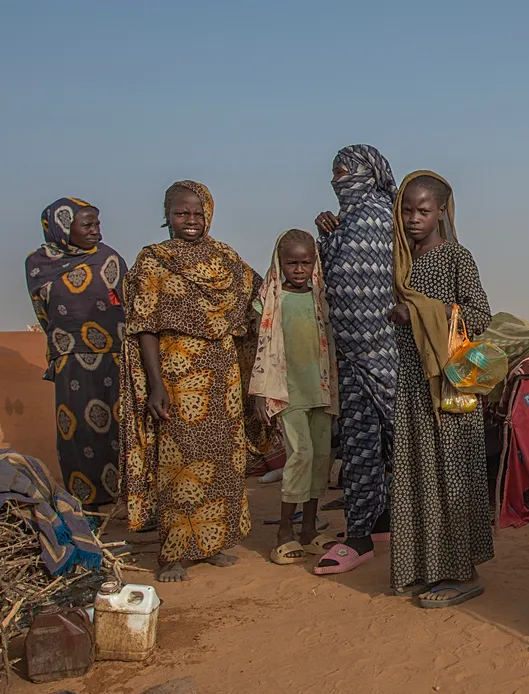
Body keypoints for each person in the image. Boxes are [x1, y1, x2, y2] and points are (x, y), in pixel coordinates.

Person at [121, 181, 260, 583]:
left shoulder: (225, 259)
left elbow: (258, 291)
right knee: (179, 462)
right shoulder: (153, 260)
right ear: (167, 216)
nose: (191, 220)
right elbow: (145, 325)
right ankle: (175, 553)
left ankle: (212, 543)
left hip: (222, 373)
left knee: (223, 458)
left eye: (198, 213)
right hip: (177, 374)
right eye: (181, 213)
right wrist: (156, 383)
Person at [389, 170, 494, 606]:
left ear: (442, 212)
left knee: (451, 477)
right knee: (419, 478)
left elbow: (480, 315)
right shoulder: (401, 262)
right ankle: (427, 568)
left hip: (449, 389)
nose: (414, 219)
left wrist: (417, 313)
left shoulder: (455, 258)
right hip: (413, 387)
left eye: (424, 211)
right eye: (407, 210)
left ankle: (462, 573)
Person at [312, 145, 399, 574]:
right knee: (360, 443)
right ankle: (365, 529)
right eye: (333, 173)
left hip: (384, 351)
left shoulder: (384, 216)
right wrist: (327, 236)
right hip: (350, 353)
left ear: (367, 173)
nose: (335, 180)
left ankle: (420, 523)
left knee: (400, 439)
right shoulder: (344, 222)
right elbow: (330, 276)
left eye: (342, 172)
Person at [24, 198, 126, 508]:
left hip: (115, 354)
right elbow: (43, 311)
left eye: (97, 223)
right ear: (63, 229)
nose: (96, 230)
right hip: (70, 357)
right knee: (78, 432)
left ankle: (126, 499)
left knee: (120, 427)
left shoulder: (109, 259)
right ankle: (87, 503)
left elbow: (127, 303)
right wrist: (64, 343)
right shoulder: (38, 264)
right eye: (87, 225)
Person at [249, 229, 339, 565]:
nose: (299, 270)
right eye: (292, 263)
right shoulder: (270, 300)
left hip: (321, 390)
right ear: (280, 263)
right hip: (287, 392)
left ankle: (309, 529)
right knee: (300, 454)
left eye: (306, 262)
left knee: (320, 457)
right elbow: (261, 347)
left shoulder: (321, 298)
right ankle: (284, 533)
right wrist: (261, 393)